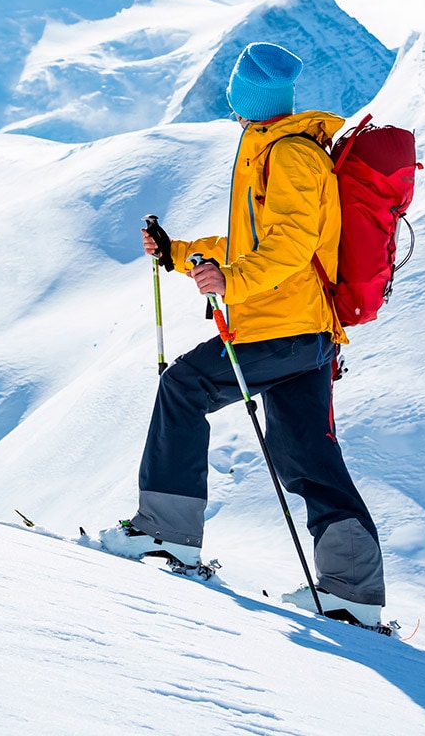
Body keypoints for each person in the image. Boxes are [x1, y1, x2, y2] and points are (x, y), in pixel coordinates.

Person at [97, 41, 387, 626]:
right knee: (305, 451)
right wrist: (182, 254)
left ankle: (166, 531)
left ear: (247, 98)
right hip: (302, 330)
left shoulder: (290, 157)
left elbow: (289, 246)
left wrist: (232, 282)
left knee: (184, 385)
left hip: (283, 324)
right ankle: (350, 591)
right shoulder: (273, 150)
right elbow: (259, 243)